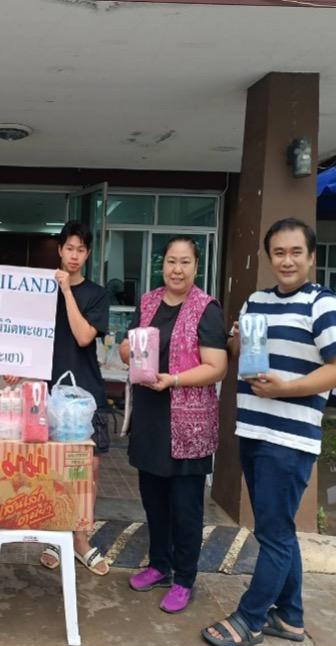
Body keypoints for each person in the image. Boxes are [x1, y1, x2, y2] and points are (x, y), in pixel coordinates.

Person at [202, 218, 336, 646]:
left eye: (296, 252)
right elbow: (241, 355)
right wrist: (236, 338)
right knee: (277, 530)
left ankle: (250, 618)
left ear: (311, 257)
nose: (287, 261)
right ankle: (289, 617)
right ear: (269, 257)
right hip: (253, 429)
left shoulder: (322, 304)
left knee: (273, 534)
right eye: (279, 253)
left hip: (289, 440)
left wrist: (287, 388)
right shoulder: (257, 301)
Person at [119, 236, 227, 614]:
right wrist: (127, 350)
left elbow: (217, 367)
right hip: (150, 417)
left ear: (196, 267)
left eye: (184, 262)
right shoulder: (148, 302)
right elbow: (127, 347)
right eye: (170, 262)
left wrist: (175, 379)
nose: (176, 270)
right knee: (153, 500)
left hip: (188, 424)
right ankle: (159, 565)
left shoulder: (206, 308)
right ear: (162, 264)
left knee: (185, 508)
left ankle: (184, 579)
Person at [21, 221, 112, 576]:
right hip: (47, 395)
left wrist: (66, 291)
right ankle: (54, 535)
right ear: (59, 250)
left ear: (87, 254)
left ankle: (80, 539)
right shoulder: (39, 290)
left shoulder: (96, 295)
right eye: (69, 248)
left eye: (81, 250)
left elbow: (84, 336)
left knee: (88, 470)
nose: (74, 255)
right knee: (53, 468)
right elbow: (25, 336)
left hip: (85, 395)